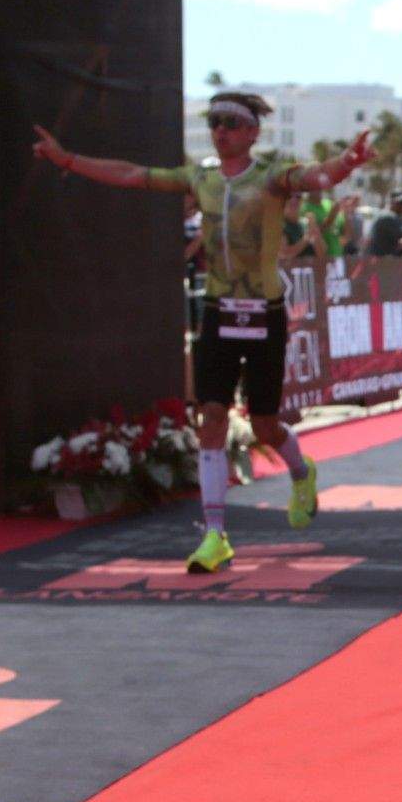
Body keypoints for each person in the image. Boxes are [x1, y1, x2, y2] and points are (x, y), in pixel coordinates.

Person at [33, 93, 370, 573]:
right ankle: (215, 535)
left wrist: (347, 162)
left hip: (264, 312)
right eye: (214, 122)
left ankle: (301, 469)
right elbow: (132, 174)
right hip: (218, 310)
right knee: (210, 417)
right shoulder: (201, 178)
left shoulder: (271, 176)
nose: (220, 130)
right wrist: (68, 160)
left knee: (264, 425)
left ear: (252, 132)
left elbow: (317, 175)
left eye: (231, 123)